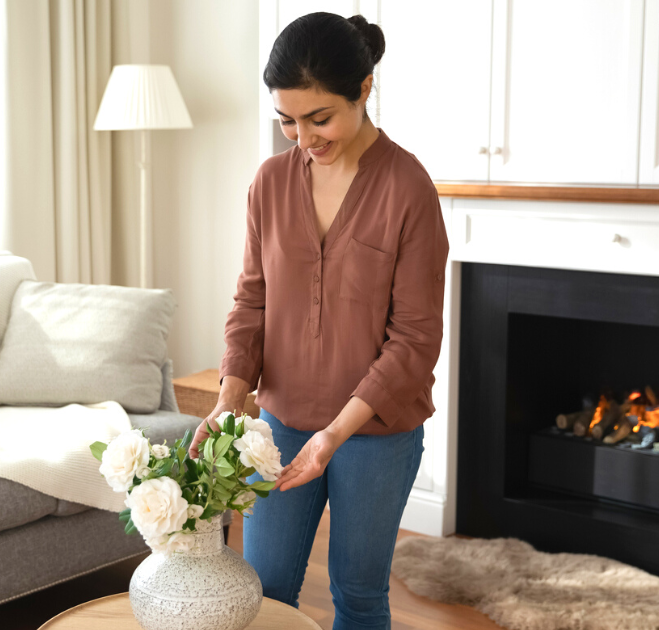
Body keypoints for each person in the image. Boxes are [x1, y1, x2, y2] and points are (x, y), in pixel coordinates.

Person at [187, 11, 450, 630]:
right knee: (266, 593)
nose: (302, 138)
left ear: (364, 89)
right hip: (278, 426)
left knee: (357, 596)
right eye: (287, 120)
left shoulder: (408, 187)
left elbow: (416, 339)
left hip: (375, 435)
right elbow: (252, 300)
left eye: (319, 117)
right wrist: (230, 397)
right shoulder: (269, 183)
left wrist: (335, 433)